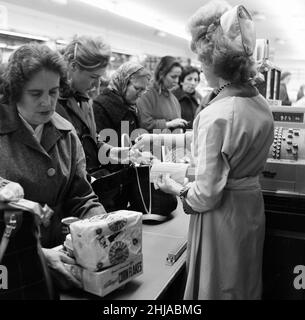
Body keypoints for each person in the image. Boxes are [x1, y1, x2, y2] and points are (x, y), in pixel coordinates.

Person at [155, 1, 274, 299]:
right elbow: (232, 149)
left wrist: (178, 189)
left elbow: (206, 195)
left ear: (213, 59)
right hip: (249, 210)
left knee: (219, 287)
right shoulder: (260, 103)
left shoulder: (216, 113)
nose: (200, 68)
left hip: (222, 220)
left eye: (201, 60)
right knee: (243, 284)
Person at [0, 43, 107, 297]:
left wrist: (103, 227)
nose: (47, 102)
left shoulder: (66, 134)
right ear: (15, 92)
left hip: (64, 260)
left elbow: (81, 196)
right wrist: (39, 255)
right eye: (35, 94)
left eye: (54, 91)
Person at [56, 35, 112, 173]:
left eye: (100, 78)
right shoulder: (52, 104)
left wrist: (113, 152)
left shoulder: (83, 100)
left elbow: (89, 140)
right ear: (74, 66)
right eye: (93, 77)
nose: (97, 85)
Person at [93, 61, 151, 145]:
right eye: (137, 88)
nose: (140, 94)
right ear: (123, 82)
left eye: (143, 90)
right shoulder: (100, 107)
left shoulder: (131, 106)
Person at [137, 56, 188, 132]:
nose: (177, 81)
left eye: (178, 77)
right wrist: (168, 124)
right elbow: (144, 124)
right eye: (173, 77)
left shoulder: (174, 99)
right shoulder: (146, 94)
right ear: (161, 74)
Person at [172, 65, 201, 130]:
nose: (193, 83)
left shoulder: (199, 98)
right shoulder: (172, 97)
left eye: (196, 80)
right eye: (189, 79)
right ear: (181, 81)